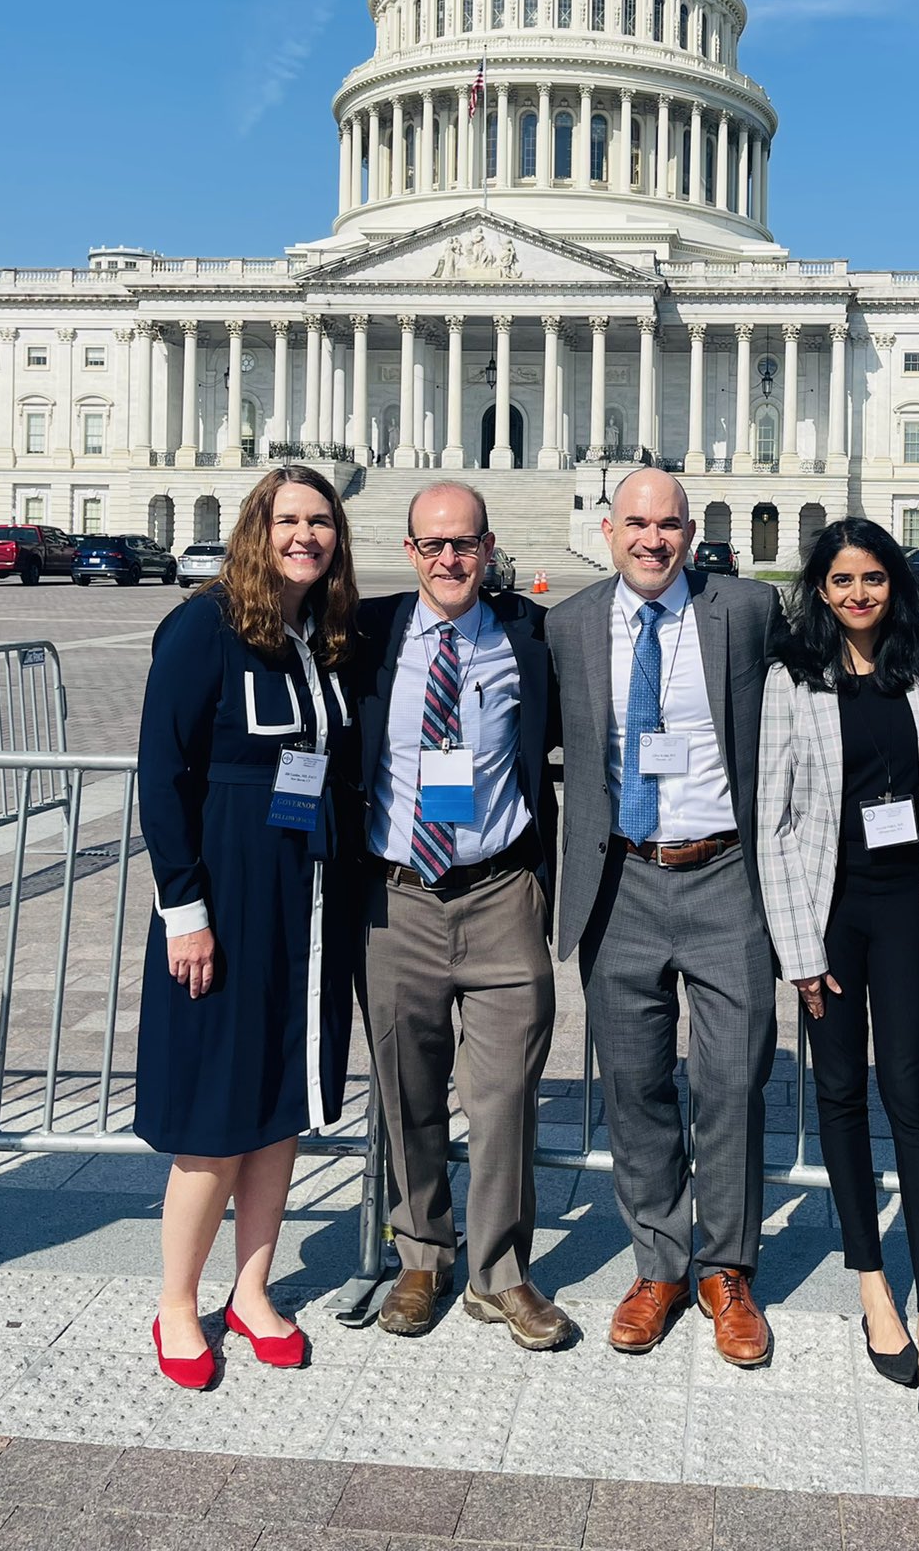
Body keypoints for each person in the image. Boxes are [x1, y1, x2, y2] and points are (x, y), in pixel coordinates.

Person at [546, 469, 786, 1367]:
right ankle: (659, 1265)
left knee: (730, 1084)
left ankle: (727, 1268)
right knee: (636, 1089)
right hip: (622, 882)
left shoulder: (748, 611)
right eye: (637, 524)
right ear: (608, 530)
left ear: (692, 531)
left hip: (725, 874)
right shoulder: (567, 624)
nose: (654, 540)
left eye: (670, 525)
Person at [135, 465, 362, 1388]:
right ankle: (176, 1305)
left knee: (279, 1107)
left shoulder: (323, 638)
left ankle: (255, 1288)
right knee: (217, 1116)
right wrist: (184, 911)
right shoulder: (203, 627)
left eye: (320, 522)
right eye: (288, 519)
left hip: (305, 898)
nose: (304, 535)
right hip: (225, 894)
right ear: (257, 529)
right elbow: (162, 774)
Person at [756, 519, 919, 1436]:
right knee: (839, 1096)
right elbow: (775, 821)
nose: (857, 594)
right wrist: (799, 952)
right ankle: (872, 1282)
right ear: (820, 588)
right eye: (841, 580)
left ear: (894, 585)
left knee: (915, 1102)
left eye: (873, 578)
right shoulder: (791, 678)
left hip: (910, 911)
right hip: (830, 914)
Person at [356, 481, 571, 1351]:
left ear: (489, 548)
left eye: (465, 543)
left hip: (497, 891)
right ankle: (420, 1254)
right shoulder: (366, 637)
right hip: (396, 894)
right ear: (410, 552)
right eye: (433, 544)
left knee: (506, 1093)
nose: (450, 558)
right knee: (404, 1088)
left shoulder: (530, 635)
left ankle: (502, 1272)